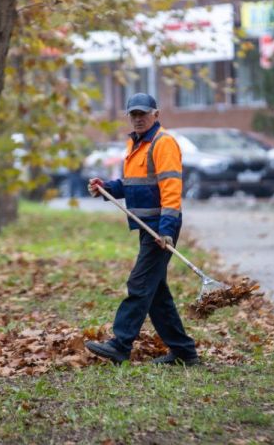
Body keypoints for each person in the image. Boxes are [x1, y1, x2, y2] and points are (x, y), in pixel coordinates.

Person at [84, 92, 200, 366]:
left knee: (139, 283)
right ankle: (184, 352)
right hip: (147, 226)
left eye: (143, 114)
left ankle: (120, 344)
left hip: (160, 228)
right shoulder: (136, 144)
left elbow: (171, 189)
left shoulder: (163, 144)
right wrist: (107, 188)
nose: (138, 119)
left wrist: (167, 229)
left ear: (156, 115)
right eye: (133, 115)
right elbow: (133, 183)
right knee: (156, 291)